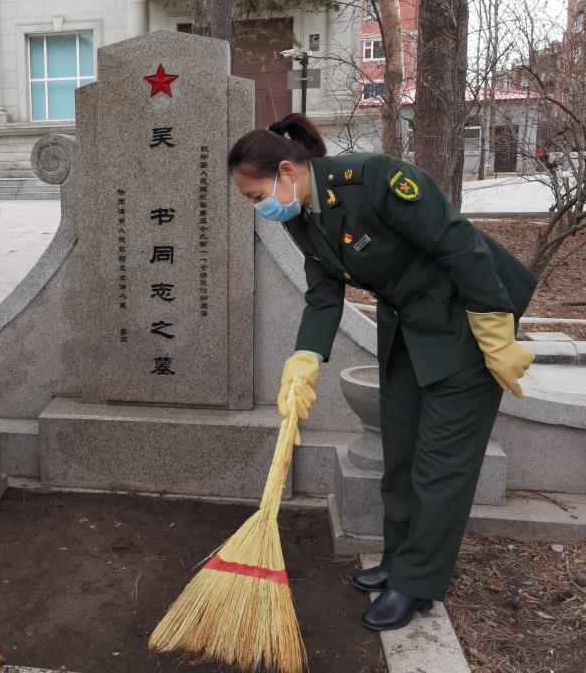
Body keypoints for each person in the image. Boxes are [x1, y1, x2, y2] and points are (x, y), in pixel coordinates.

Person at [228, 114, 536, 631]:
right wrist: (306, 358)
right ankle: (400, 561)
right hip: (407, 327)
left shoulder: (374, 179)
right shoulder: (301, 215)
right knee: (401, 453)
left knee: (441, 466)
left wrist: (494, 329)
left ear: (286, 171)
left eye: (257, 196)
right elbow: (323, 292)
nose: (261, 208)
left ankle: (418, 583)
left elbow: (459, 244)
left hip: (466, 321)